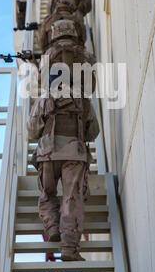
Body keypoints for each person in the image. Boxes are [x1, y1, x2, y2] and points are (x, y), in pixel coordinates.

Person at [26, 89, 100, 261]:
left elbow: (32, 131)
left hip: (47, 155)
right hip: (75, 154)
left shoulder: (43, 99)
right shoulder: (84, 100)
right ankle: (68, 247)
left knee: (47, 193)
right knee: (71, 198)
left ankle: (52, 227)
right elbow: (93, 131)